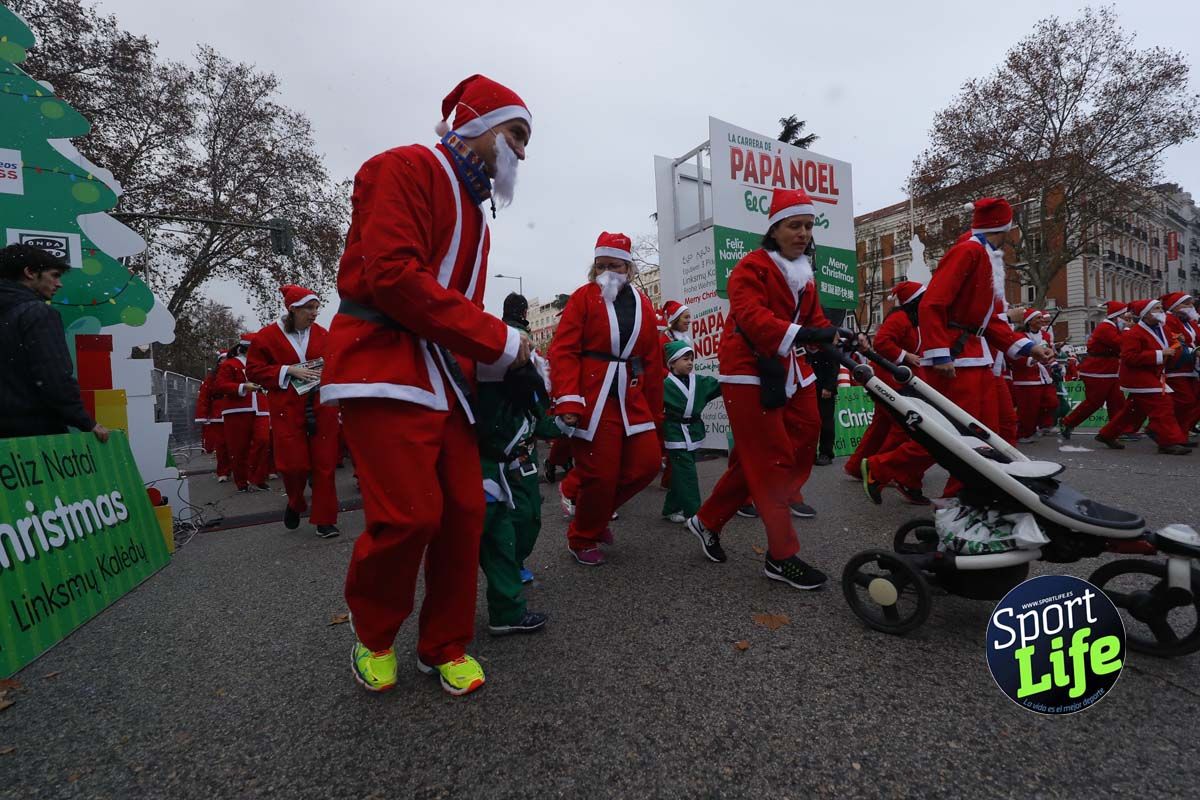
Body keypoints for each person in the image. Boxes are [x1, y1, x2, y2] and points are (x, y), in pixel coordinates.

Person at [320, 74, 532, 696]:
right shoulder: (405, 166)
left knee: (467, 513)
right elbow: (391, 274)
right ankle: (375, 635)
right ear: (476, 123)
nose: (523, 150)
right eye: (516, 133)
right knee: (409, 517)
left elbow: (450, 304)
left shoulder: (478, 214)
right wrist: (499, 341)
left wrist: (502, 361)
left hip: (447, 380)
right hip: (384, 366)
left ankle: (443, 644)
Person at [684, 188, 845, 587]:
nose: (804, 233)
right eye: (795, 225)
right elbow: (753, 318)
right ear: (774, 230)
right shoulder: (749, 268)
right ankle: (781, 556)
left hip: (790, 367)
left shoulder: (804, 274)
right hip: (747, 370)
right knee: (769, 461)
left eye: (808, 226)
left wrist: (838, 337)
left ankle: (707, 520)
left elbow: (815, 319)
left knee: (806, 433)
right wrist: (808, 332)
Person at [863, 198, 1054, 500]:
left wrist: (1029, 348)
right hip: (956, 358)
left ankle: (960, 492)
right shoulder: (968, 251)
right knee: (956, 434)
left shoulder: (984, 256)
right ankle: (887, 469)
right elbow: (933, 303)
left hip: (974, 357)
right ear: (1004, 227)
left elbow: (989, 321)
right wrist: (939, 353)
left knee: (982, 434)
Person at [549, 231, 666, 566]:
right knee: (600, 475)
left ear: (628, 267)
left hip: (630, 396)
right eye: (601, 266)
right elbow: (564, 350)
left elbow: (652, 360)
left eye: (614, 265)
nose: (607, 272)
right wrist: (568, 401)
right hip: (593, 396)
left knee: (645, 466)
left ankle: (594, 515)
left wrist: (657, 412)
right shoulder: (583, 298)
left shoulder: (643, 303)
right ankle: (582, 536)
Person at [475, 300, 552, 635]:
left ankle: (506, 611)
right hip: (482, 468)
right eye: (519, 346)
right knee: (486, 538)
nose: (526, 352)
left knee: (514, 527)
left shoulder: (526, 384)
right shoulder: (483, 383)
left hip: (516, 465)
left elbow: (541, 418)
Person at [246, 285, 342, 539]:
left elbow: (336, 365)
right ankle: (295, 502)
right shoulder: (266, 337)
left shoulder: (323, 334)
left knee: (325, 465)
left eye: (316, 308)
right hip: (287, 409)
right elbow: (253, 372)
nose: (314, 313)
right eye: (309, 308)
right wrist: (287, 370)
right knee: (292, 466)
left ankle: (325, 520)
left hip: (322, 406)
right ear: (293, 309)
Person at [0, 244, 109, 442]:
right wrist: (85, 421)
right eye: (54, 275)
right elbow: (54, 376)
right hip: (34, 434)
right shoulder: (37, 313)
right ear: (30, 272)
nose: (59, 284)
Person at [843, 281, 930, 503]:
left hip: (893, 379)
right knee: (901, 427)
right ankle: (879, 468)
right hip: (889, 380)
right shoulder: (900, 319)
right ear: (915, 301)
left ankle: (856, 466)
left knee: (881, 426)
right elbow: (881, 342)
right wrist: (905, 356)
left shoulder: (912, 320)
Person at [1095, 299, 1190, 455]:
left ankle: (1107, 434)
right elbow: (1129, 357)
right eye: (1157, 309)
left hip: (1152, 374)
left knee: (1134, 410)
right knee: (1163, 403)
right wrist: (1161, 354)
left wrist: (1177, 348)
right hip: (1136, 376)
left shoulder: (1163, 329)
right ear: (1145, 314)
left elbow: (1172, 348)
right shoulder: (1133, 333)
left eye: (1161, 308)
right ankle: (1168, 441)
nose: (1161, 311)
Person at [661, 340, 722, 524]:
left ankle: (670, 508)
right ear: (671, 363)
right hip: (675, 433)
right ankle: (695, 516)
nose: (689, 363)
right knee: (687, 474)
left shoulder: (700, 381)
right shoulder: (664, 385)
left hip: (693, 431)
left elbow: (721, 386)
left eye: (691, 359)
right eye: (685, 359)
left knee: (681, 473)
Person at [1060, 302, 1129, 439]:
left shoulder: (1112, 327)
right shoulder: (1106, 327)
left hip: (1109, 370)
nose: (1127, 320)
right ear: (1116, 316)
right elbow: (1120, 343)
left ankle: (1116, 431)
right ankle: (1068, 422)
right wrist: (1128, 330)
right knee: (1094, 402)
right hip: (1097, 370)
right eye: (1124, 316)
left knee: (1117, 401)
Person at [213, 334, 272, 492]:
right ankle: (242, 482)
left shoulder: (262, 364)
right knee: (238, 448)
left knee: (263, 440)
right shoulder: (230, 364)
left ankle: (257, 477)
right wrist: (242, 387)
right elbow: (220, 386)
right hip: (236, 409)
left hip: (261, 408)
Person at [1009, 308, 1057, 443]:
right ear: (1029, 322)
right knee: (1028, 409)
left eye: (1042, 317)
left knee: (1052, 402)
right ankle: (1024, 433)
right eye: (1038, 318)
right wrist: (1033, 360)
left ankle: (1043, 425)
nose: (1042, 320)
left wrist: (1053, 362)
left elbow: (1050, 352)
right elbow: (1014, 356)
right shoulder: (1020, 336)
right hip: (1026, 378)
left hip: (1044, 376)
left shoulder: (1045, 336)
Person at [1161, 292, 1199, 436]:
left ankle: (1181, 432)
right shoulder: (1169, 320)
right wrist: (1194, 350)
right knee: (1185, 400)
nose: (1191, 306)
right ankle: (1166, 429)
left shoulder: (1189, 322)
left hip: (1191, 366)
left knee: (1192, 401)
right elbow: (1176, 342)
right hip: (1177, 367)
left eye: (1191, 304)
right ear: (1175, 306)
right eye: (1186, 304)